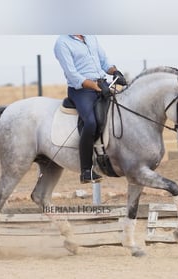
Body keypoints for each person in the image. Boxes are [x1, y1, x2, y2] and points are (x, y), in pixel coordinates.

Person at [54, 35, 127, 184]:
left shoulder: (91, 37)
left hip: (102, 84)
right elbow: (73, 75)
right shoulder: (62, 43)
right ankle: (86, 170)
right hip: (81, 90)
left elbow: (105, 62)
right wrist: (96, 87)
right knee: (91, 123)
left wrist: (115, 72)